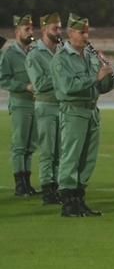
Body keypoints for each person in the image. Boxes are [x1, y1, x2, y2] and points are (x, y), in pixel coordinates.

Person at [51, 15, 114, 217]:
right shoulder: (61, 59)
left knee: (88, 158)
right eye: (82, 32)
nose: (86, 36)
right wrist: (94, 77)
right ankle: (68, 202)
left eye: (87, 32)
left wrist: (109, 75)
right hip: (73, 111)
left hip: (91, 110)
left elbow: (101, 87)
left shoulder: (90, 57)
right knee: (71, 157)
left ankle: (79, 198)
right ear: (70, 33)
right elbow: (67, 87)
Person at [26, 12, 62, 205]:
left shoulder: (61, 51)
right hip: (46, 105)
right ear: (44, 29)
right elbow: (39, 83)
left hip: (61, 106)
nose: (59, 31)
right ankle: (48, 188)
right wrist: (61, 75)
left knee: (60, 152)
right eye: (55, 28)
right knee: (48, 151)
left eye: (60, 27)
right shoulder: (34, 55)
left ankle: (56, 185)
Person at [3, 14, 38, 196]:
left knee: (30, 145)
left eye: (31, 29)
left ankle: (27, 183)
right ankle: (19, 184)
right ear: (17, 32)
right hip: (20, 103)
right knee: (19, 145)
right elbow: (3, 79)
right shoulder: (9, 55)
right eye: (27, 29)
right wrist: (24, 86)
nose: (30, 32)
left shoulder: (33, 51)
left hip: (35, 104)